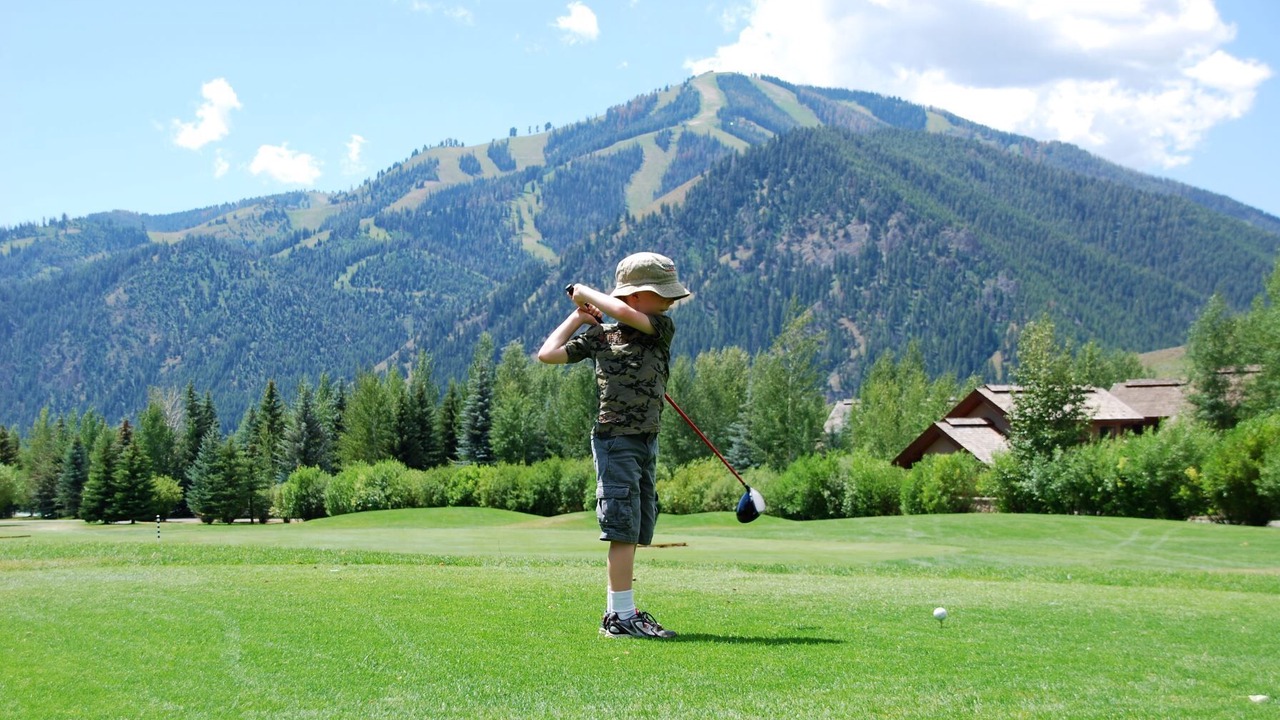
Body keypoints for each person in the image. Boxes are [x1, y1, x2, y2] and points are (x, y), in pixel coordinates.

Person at [536, 251, 690, 639]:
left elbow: (626, 316)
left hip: (645, 440)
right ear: (635, 294)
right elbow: (547, 354)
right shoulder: (601, 337)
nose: (670, 301)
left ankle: (622, 610)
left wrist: (585, 291)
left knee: (636, 526)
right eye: (662, 293)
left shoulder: (659, 326)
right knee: (622, 528)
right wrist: (579, 316)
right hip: (614, 439)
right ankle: (620, 617)